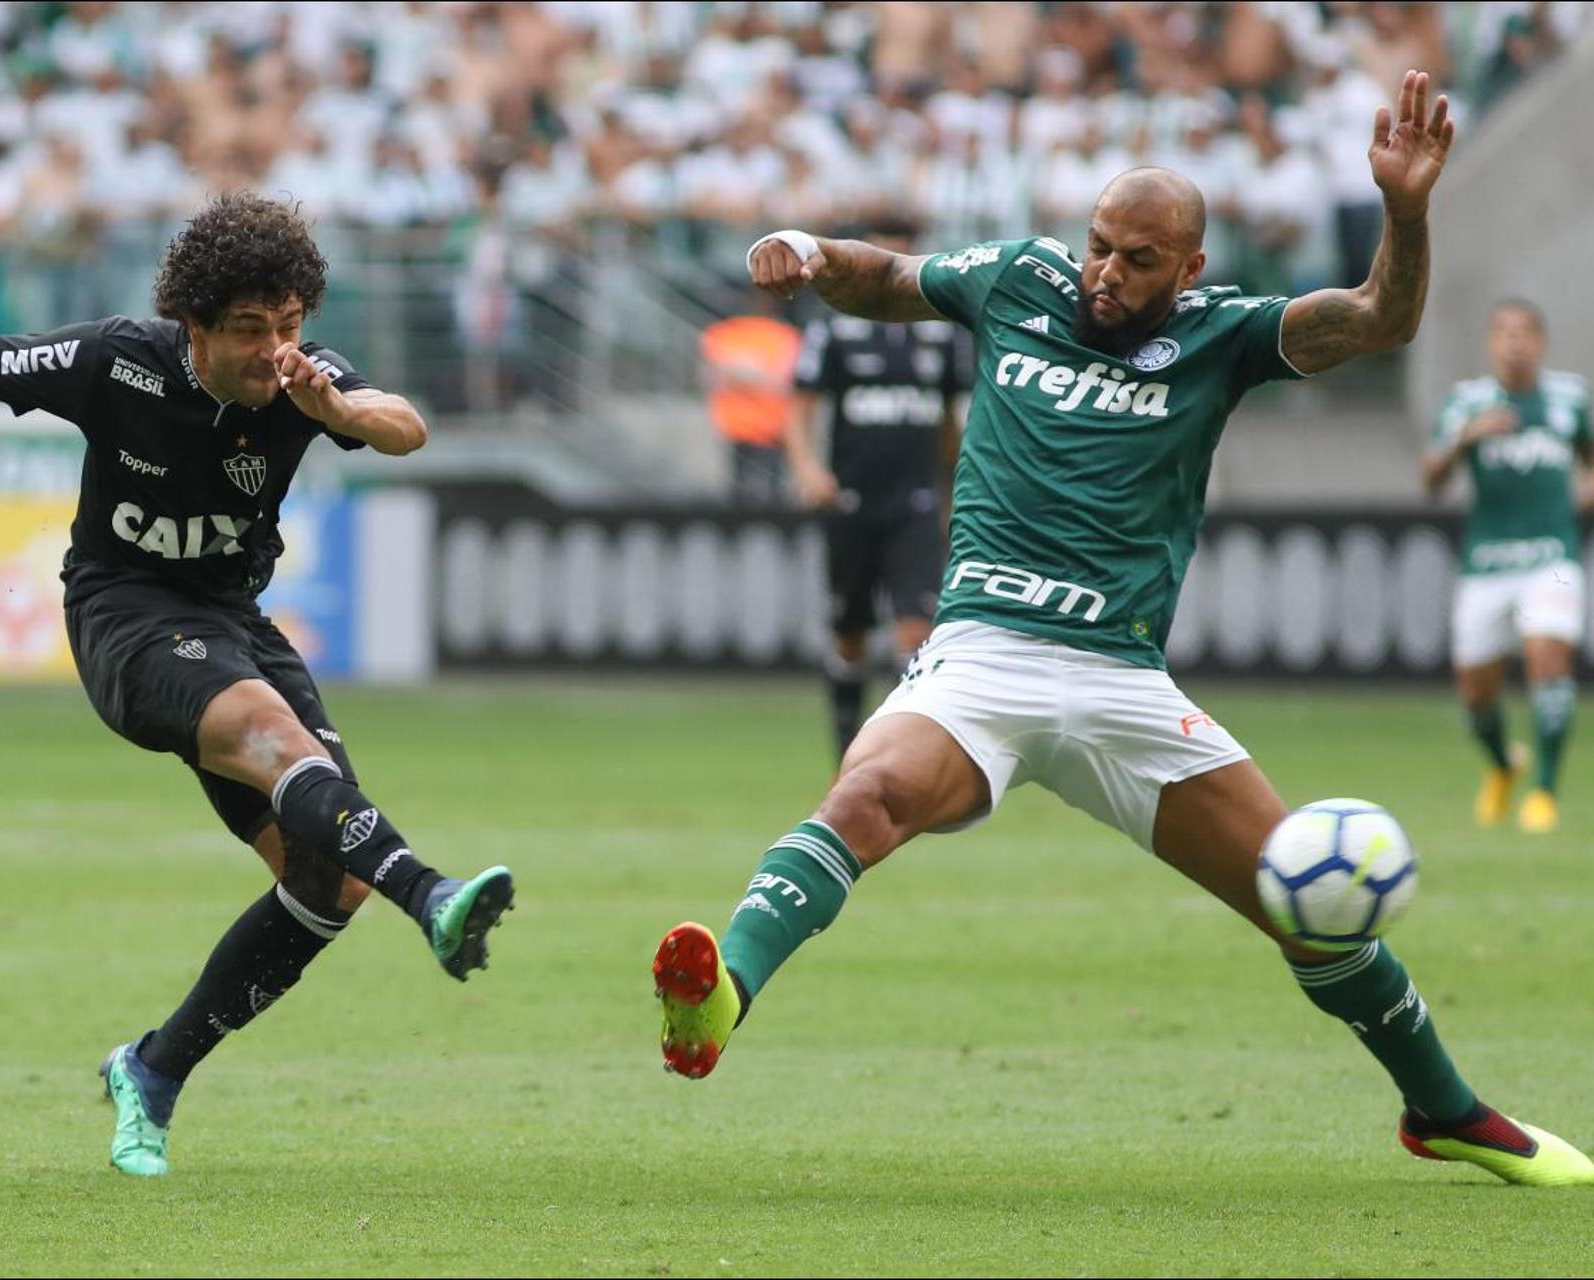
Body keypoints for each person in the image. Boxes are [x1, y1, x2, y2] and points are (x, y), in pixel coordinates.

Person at [650, 72, 1594, 1186]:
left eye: (1139, 258)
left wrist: (1404, 207)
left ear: (1189, 267)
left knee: (1311, 900)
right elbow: (890, 277)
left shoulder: (1225, 333)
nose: (1107, 271)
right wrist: (808, 248)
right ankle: (720, 997)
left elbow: (1382, 318)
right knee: (865, 795)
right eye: (1100, 243)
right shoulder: (1019, 279)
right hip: (983, 657)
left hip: (1121, 681)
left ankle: (1445, 1108)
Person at [0, 192, 515, 1179]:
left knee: (328, 881)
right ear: (194, 327)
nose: (274, 351)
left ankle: (153, 1065)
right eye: (250, 331)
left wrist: (339, 410)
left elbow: (406, 427)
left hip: (234, 624)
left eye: (290, 326)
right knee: (271, 733)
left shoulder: (309, 383)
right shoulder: (113, 360)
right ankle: (430, 895)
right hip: (124, 618)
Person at [784, 213, 970, 760]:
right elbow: (799, 407)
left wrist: (957, 485)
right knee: (850, 634)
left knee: (913, 632)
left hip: (914, 502)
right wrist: (806, 468)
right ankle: (845, 754)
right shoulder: (834, 330)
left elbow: (951, 421)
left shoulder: (941, 336)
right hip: (850, 499)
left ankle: (888, 757)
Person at [1422, 300, 1590, 834]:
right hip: (1486, 565)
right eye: (1503, 333)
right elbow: (1430, 481)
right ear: (1491, 344)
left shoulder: (1569, 398)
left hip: (1552, 558)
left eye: (1524, 333)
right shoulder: (1467, 404)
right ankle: (1502, 765)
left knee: (1548, 657)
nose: (1514, 343)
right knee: (1476, 693)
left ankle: (1543, 790)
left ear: (1540, 342)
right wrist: (1462, 441)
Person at [700, 297, 802, 505]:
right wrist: (754, 374)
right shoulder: (725, 333)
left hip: (771, 427)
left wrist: (740, 373)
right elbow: (711, 375)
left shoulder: (784, 335)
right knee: (738, 492)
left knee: (774, 492)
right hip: (738, 427)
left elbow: (786, 380)